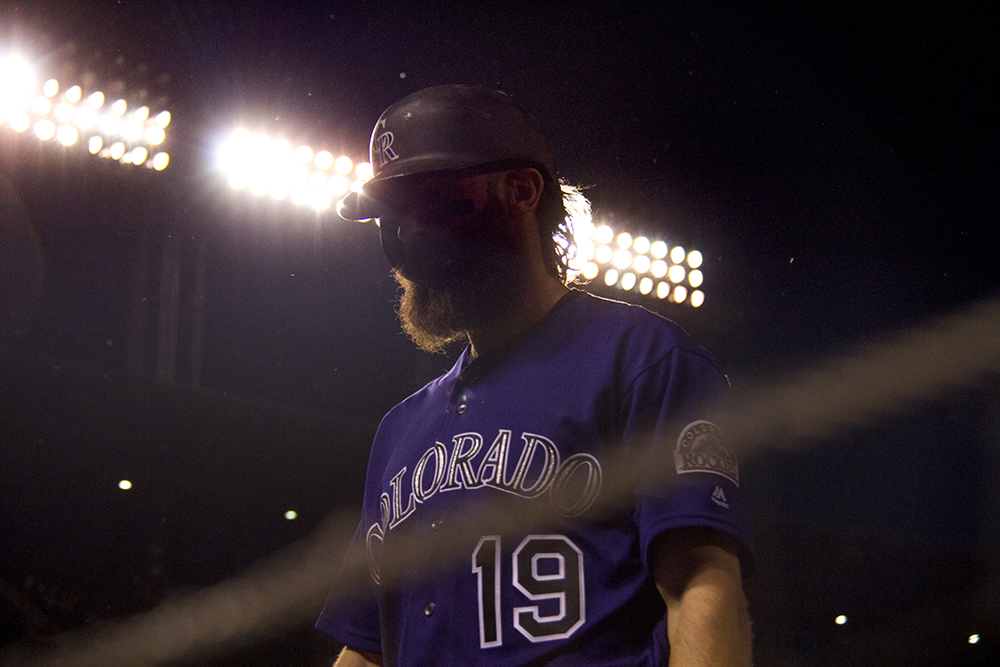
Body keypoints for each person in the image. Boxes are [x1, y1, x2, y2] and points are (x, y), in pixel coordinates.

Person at [317, 85, 754, 666]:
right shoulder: (400, 429)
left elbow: (702, 586)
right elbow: (368, 649)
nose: (410, 234)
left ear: (520, 191)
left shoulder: (640, 358)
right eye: (392, 217)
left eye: (436, 201)